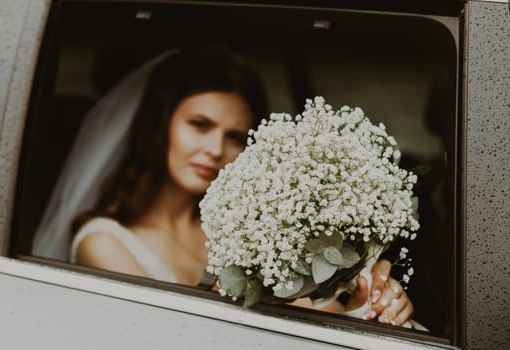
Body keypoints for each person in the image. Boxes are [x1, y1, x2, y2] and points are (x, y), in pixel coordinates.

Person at [33, 44, 414, 326]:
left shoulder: (253, 232)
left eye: (234, 136)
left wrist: (366, 305)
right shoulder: (102, 242)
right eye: (199, 125)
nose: (215, 150)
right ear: (159, 125)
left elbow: (310, 312)